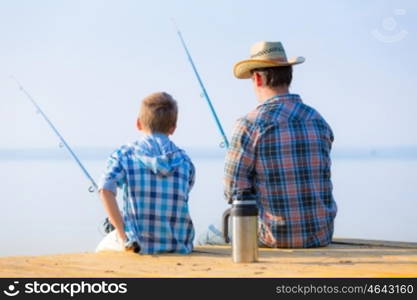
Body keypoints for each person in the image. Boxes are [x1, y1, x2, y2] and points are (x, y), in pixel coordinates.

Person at [224, 41, 337, 248]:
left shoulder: (249, 124)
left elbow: (233, 191)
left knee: (210, 235)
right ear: (289, 75)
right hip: (321, 235)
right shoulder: (318, 121)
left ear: (257, 78)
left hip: (272, 238)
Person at [97, 92, 195, 254]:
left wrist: (123, 236)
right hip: (178, 246)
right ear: (173, 128)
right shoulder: (185, 161)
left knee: (102, 247)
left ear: (138, 124)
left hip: (139, 246)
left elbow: (105, 189)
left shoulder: (125, 154)